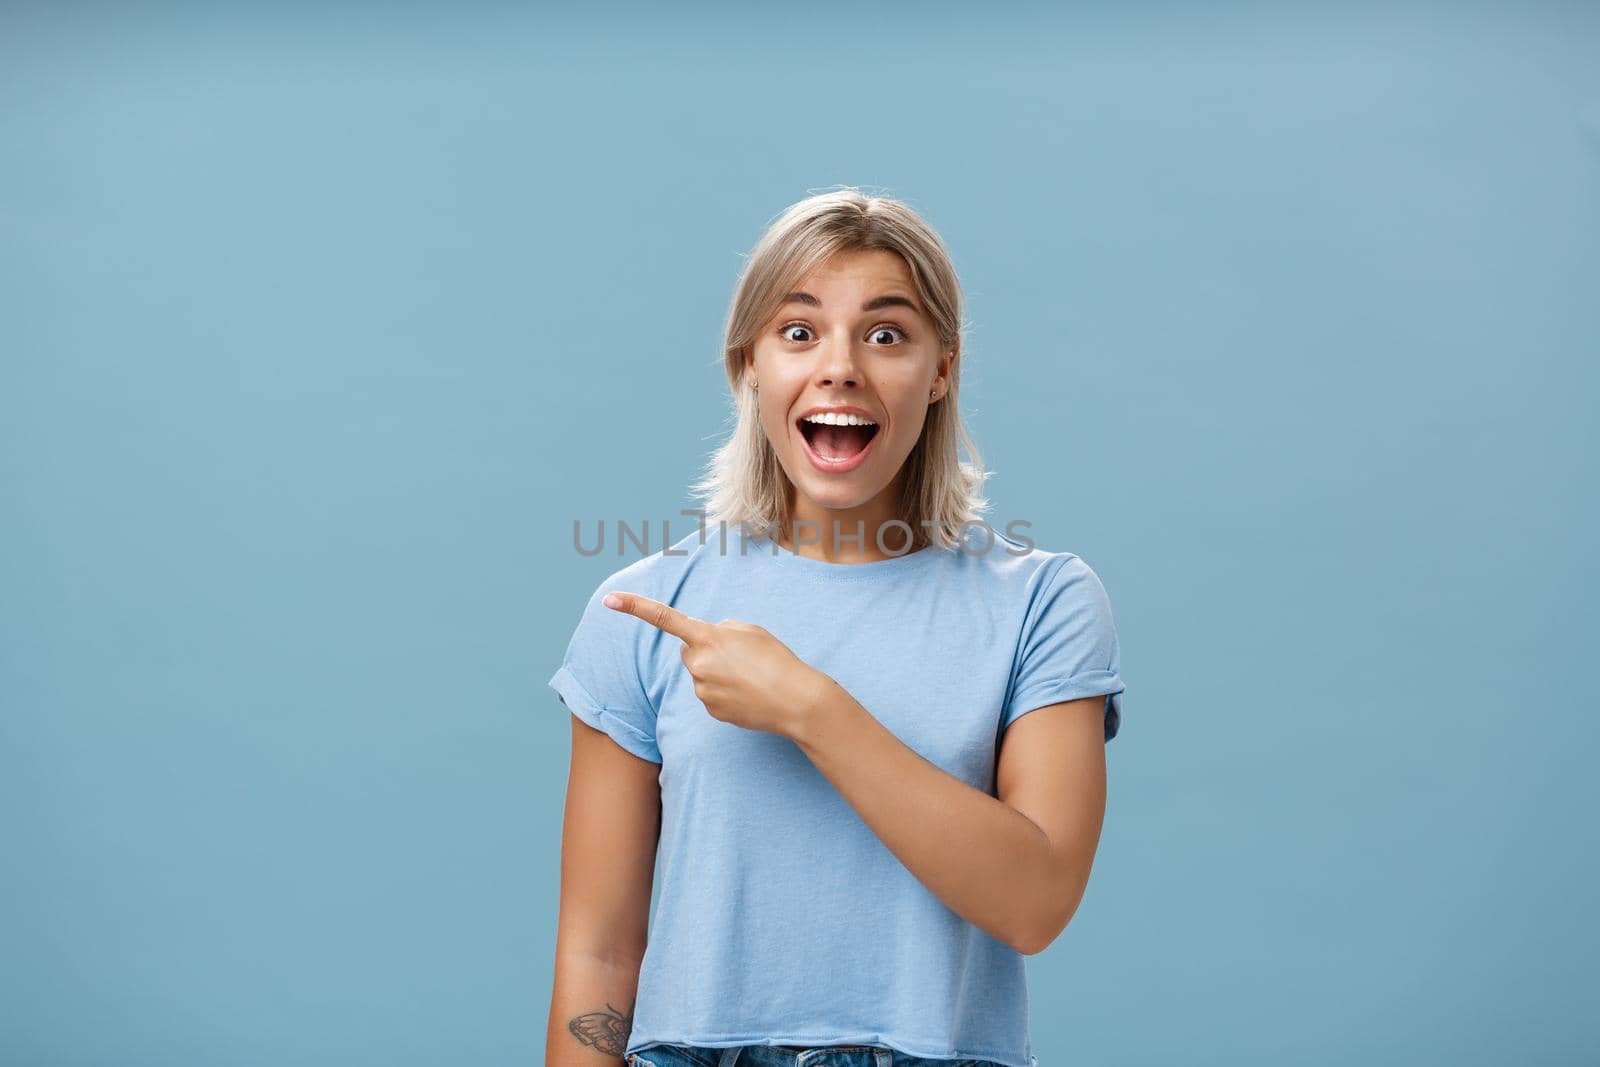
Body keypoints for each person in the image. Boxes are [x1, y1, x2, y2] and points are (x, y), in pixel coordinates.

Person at [544, 189, 1126, 1067]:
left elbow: (1035, 900)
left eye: (886, 333)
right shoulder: (645, 609)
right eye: (799, 331)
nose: (840, 367)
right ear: (750, 365)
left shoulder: (1043, 602)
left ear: (941, 369)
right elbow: (598, 949)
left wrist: (812, 709)